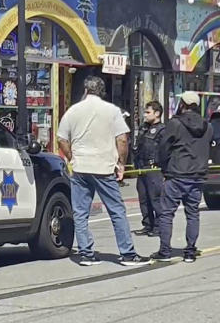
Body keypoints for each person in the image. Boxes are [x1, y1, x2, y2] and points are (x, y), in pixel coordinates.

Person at [57, 76, 152, 267]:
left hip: (81, 166)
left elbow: (62, 139)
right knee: (117, 211)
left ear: (85, 90)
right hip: (103, 167)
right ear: (102, 92)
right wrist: (121, 163)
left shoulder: (73, 111)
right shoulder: (111, 111)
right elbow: (122, 139)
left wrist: (71, 157)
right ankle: (127, 253)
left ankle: (86, 253)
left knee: (80, 213)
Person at [152, 91, 213, 263]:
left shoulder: (175, 124)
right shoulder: (207, 126)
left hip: (177, 174)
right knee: (193, 213)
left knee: (166, 214)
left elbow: (164, 147)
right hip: (197, 175)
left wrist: (162, 167)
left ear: (183, 104)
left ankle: (165, 251)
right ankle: (190, 251)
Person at [132, 101, 165, 237]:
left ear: (157, 114)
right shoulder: (144, 128)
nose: (145, 115)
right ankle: (148, 224)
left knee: (155, 199)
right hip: (142, 167)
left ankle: (158, 226)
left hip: (154, 168)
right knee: (144, 199)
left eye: (148, 112)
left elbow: (165, 150)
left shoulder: (162, 130)